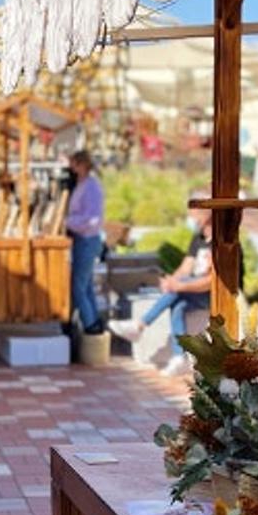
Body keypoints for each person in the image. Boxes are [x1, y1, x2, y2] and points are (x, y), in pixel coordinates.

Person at [109, 203, 214, 377]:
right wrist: (172, 281)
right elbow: (185, 269)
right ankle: (179, 357)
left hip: (208, 294)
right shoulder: (198, 239)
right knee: (178, 304)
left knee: (176, 293)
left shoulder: (220, 243)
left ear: (206, 217)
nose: (191, 219)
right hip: (189, 292)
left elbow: (210, 282)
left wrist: (179, 285)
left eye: (194, 215)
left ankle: (139, 326)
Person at [66, 150, 106, 335]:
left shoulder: (91, 186)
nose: (71, 168)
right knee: (86, 284)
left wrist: (67, 222)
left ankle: (90, 323)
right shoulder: (83, 184)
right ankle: (94, 320)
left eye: (74, 164)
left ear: (81, 165)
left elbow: (92, 218)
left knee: (78, 286)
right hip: (82, 239)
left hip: (87, 240)